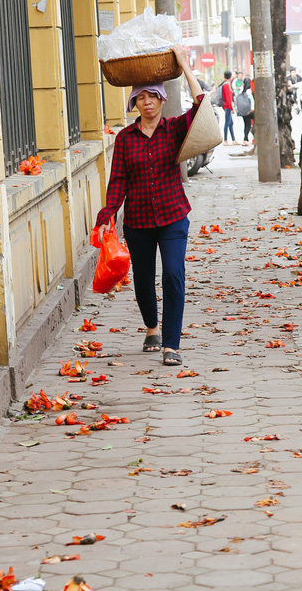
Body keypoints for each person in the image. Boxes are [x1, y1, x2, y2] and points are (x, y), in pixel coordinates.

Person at [95, 45, 203, 366]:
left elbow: (200, 107)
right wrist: (107, 216)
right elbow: (118, 182)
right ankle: (151, 328)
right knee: (143, 279)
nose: (147, 102)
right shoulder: (126, 139)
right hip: (138, 222)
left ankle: (172, 344)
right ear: (134, 103)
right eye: (141, 97)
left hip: (172, 217)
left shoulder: (173, 129)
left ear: (161, 99)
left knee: (172, 274)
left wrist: (184, 64)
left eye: (152, 96)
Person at [235, 76, 254, 145]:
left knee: (245, 124)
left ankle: (246, 139)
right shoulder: (249, 91)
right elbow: (251, 101)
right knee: (248, 125)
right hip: (248, 110)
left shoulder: (241, 90)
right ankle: (245, 139)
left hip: (242, 110)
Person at [221, 70, 236, 145]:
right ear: (230, 76)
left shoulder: (225, 84)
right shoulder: (227, 85)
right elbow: (228, 98)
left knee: (230, 123)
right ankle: (225, 140)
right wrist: (231, 108)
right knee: (227, 123)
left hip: (226, 106)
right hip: (227, 106)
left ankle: (233, 139)